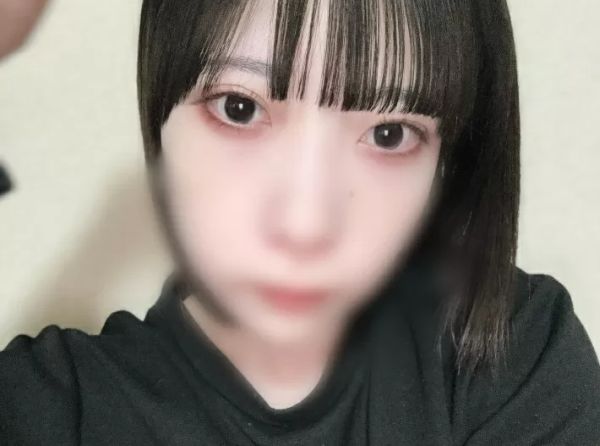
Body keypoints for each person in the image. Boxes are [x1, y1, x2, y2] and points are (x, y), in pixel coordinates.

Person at [1, 0, 599, 444]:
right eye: (240, 108)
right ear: (160, 113)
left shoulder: (512, 353)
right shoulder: (45, 409)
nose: (305, 222)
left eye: (389, 134)